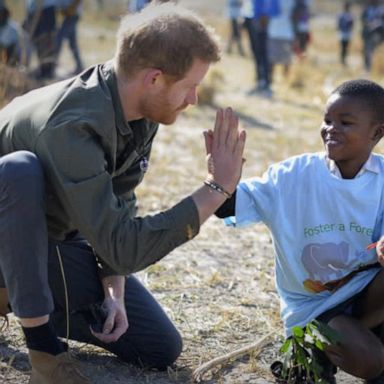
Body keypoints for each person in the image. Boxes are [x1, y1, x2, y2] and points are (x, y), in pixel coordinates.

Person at [0, 3, 246, 384]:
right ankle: (44, 351)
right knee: (20, 171)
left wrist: (112, 287)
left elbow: (119, 209)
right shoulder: (73, 124)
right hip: (9, 229)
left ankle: (10, 293)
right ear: (154, 79)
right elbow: (124, 247)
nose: (194, 99)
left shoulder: (139, 111)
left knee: (158, 347)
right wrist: (217, 189)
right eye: (189, 87)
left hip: (48, 240)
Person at [216, 79, 384, 383]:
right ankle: (307, 353)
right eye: (328, 120)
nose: (331, 129)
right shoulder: (293, 176)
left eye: (345, 123)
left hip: (365, 298)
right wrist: (220, 182)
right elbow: (230, 205)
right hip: (314, 309)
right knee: (370, 360)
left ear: (377, 133)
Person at [23, 0, 59, 79]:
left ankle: (47, 71)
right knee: (37, 40)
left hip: (44, 9)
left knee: (45, 40)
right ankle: (43, 69)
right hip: (34, 10)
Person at [267, 0, 295, 88]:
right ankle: (271, 81)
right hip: (274, 32)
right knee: (272, 60)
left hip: (287, 33)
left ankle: (285, 83)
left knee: (287, 61)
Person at [56, 0, 84, 75]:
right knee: (72, 43)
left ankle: (52, 64)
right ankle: (80, 66)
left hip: (72, 15)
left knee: (59, 39)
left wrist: (71, 9)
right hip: (68, 15)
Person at [361, 0, 384, 72]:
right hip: (368, 33)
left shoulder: (380, 10)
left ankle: (375, 66)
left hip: (378, 33)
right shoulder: (367, 10)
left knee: (377, 51)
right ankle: (368, 67)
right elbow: (363, 20)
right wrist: (370, 24)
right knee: (367, 51)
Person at [337, 1, 354, 67]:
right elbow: (338, 24)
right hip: (342, 33)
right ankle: (342, 59)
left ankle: (344, 59)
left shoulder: (350, 15)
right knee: (342, 47)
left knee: (346, 47)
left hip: (348, 33)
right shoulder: (341, 15)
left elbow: (352, 24)